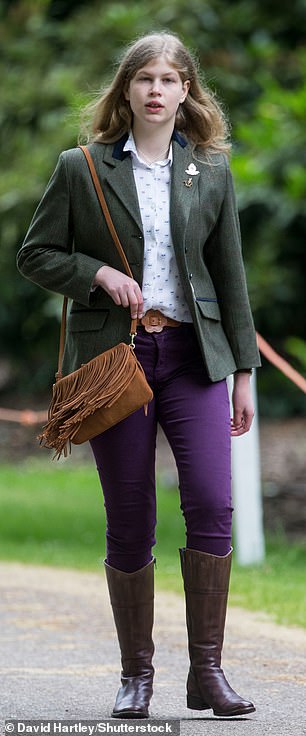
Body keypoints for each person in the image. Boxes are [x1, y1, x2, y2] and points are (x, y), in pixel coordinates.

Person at [17, 31, 261, 720]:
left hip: (195, 360)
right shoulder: (80, 167)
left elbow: (232, 279)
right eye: (144, 78)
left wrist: (243, 372)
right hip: (116, 361)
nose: (156, 89)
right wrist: (95, 273)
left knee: (212, 503)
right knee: (131, 516)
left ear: (187, 93)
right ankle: (137, 676)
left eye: (169, 79)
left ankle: (207, 673)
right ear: (125, 90)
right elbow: (35, 253)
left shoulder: (210, 172)